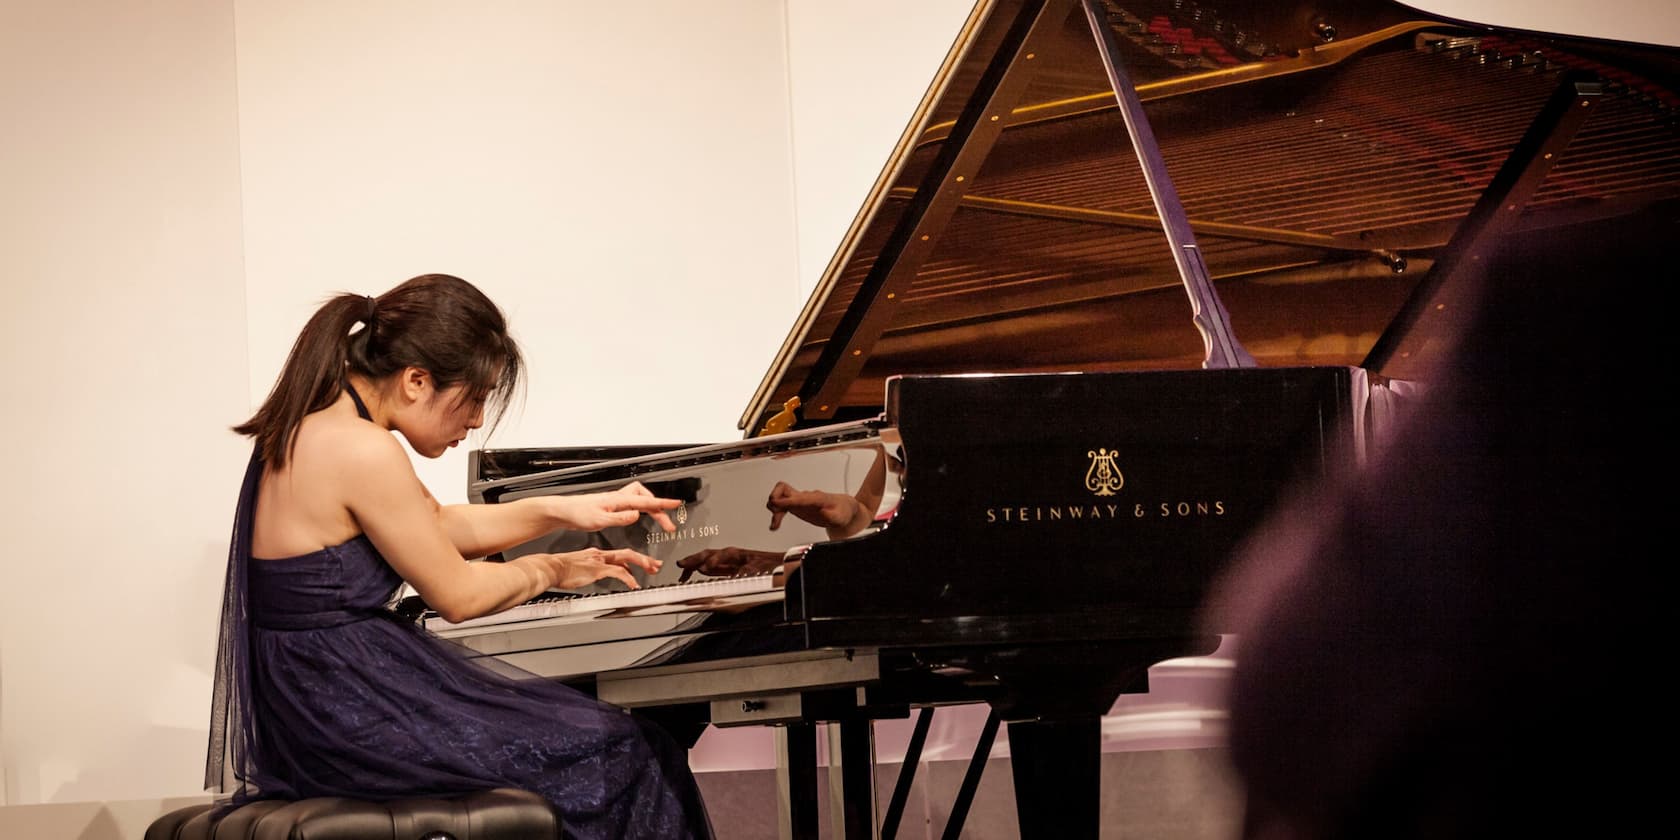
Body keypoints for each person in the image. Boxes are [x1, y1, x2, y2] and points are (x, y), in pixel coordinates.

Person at [204, 273, 714, 839]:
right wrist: (551, 567)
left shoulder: (318, 424)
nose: (474, 422)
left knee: (611, 738)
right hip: (347, 709)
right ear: (417, 380)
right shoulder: (361, 448)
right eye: (474, 398)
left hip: (325, 700)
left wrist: (566, 510)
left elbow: (437, 524)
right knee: (627, 751)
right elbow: (460, 596)